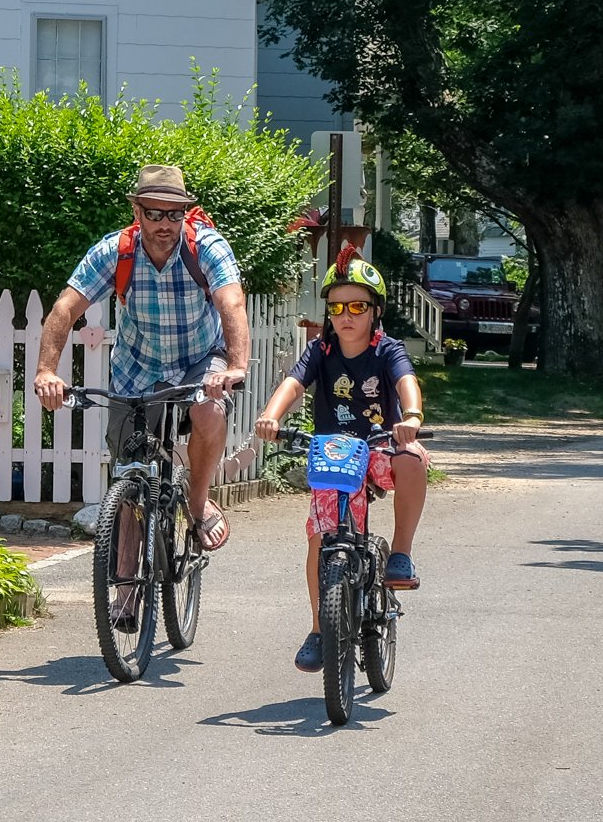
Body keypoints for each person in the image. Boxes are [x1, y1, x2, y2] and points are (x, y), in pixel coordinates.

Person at [33, 165, 251, 630]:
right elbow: (65, 308)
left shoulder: (204, 247)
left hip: (199, 360)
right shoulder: (116, 252)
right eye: (154, 213)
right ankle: (127, 591)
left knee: (209, 409)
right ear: (137, 212)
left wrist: (235, 366)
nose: (165, 224)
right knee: (131, 478)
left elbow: (231, 303)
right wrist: (46, 371)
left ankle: (196, 501)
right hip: (137, 369)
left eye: (176, 213)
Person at [254, 256, 427, 673]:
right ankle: (318, 628)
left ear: (376, 310)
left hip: (379, 448)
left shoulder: (387, 350)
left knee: (413, 459)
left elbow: (406, 382)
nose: (345, 316)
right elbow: (293, 383)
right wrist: (271, 415)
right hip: (333, 458)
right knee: (319, 539)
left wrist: (412, 418)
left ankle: (400, 553)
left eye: (356, 307)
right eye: (336, 307)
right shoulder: (320, 351)